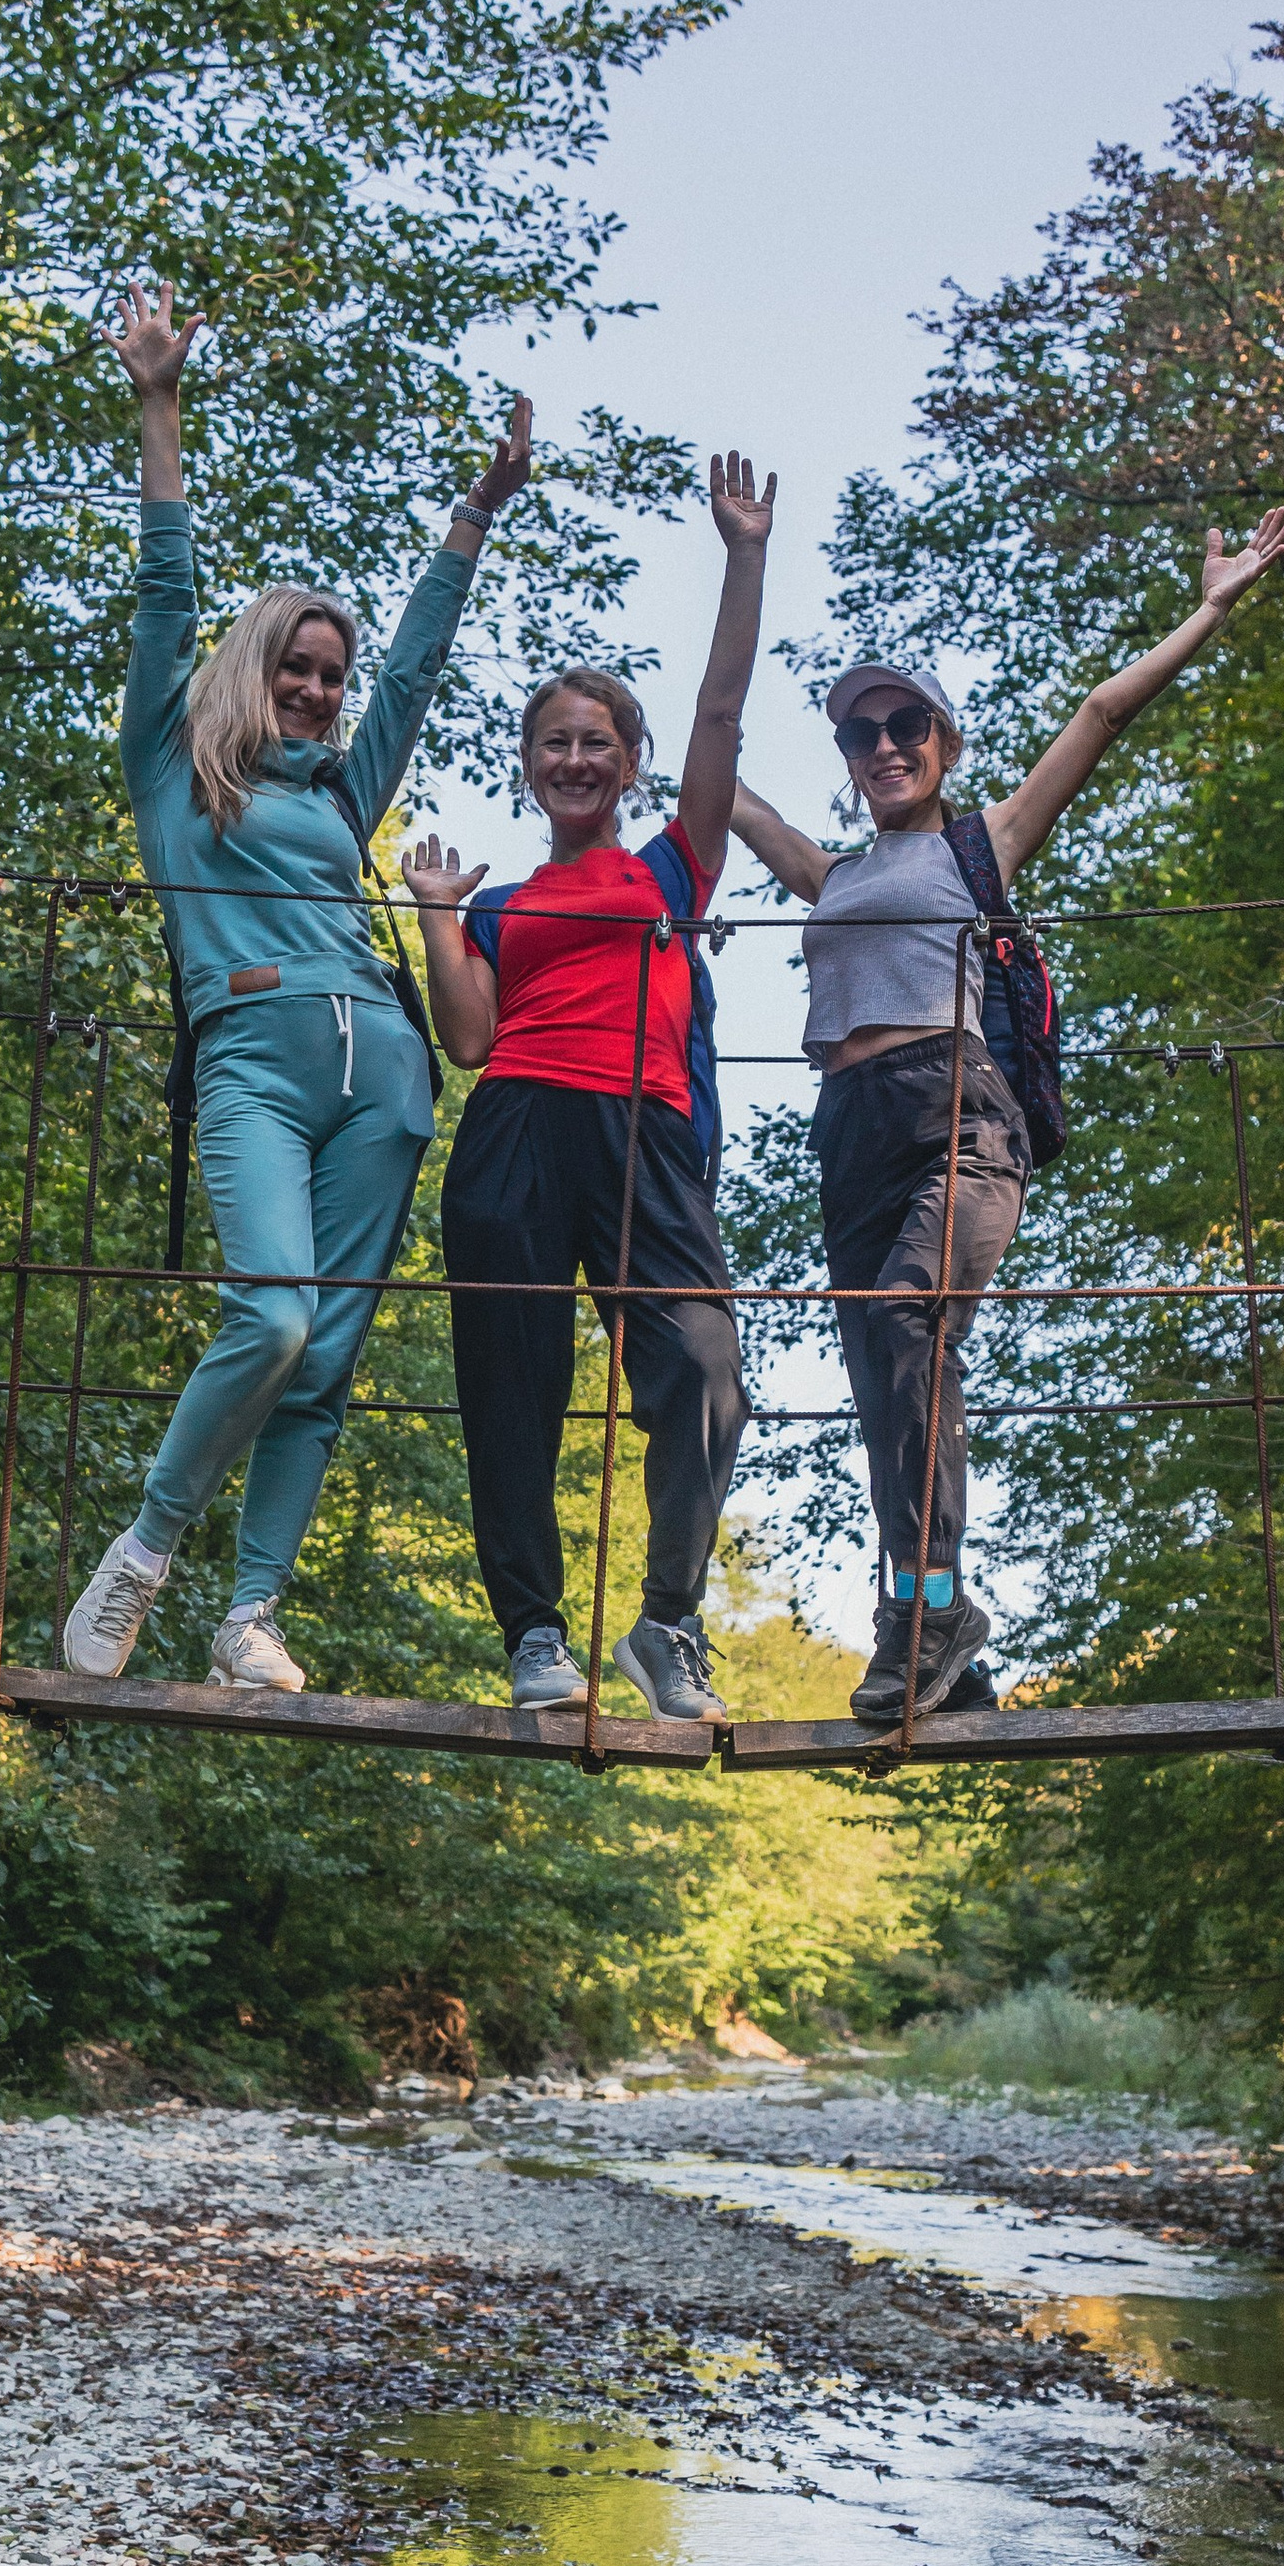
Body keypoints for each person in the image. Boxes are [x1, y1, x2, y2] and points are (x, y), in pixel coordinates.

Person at [729, 508, 1284, 1725]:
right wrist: (736, 576)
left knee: (903, 1320)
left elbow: (1098, 718)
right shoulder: (829, 876)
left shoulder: (983, 845)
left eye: (903, 725)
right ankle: (943, 1634)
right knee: (890, 1380)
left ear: (941, 741)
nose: (881, 745)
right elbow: (710, 773)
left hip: (958, 1116)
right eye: (859, 732)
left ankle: (923, 1618)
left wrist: (1210, 606)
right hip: (849, 1130)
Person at [62, 286, 532, 1691]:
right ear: (252, 670)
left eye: (331, 675)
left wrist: (476, 517)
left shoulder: (346, 788)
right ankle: (144, 1556)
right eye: (299, 668)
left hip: (383, 1078)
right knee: (267, 1314)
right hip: (254, 1058)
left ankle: (248, 1613)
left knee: (321, 1355)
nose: (323, 692)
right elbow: (163, 589)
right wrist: (160, 404)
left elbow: (419, 670)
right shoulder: (172, 769)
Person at [405, 454, 776, 1722]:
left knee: (708, 1371)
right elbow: (466, 1041)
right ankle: (534, 1637)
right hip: (513, 1133)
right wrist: (435, 921)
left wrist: (742, 555)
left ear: (629, 766)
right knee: (511, 1390)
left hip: (645, 1137)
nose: (575, 759)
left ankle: (666, 1624)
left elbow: (721, 717)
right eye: (555, 742)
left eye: (598, 744)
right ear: (530, 762)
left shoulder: (674, 868)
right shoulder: (500, 901)